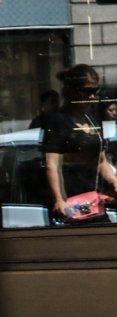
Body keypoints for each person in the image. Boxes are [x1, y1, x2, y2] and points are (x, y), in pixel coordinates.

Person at [41, 64, 117, 221]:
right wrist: (59, 199)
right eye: (88, 91)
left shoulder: (93, 119)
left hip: (93, 200)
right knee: (80, 238)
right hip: (71, 201)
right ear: (72, 91)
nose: (92, 97)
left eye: (95, 91)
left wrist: (114, 181)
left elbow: (101, 161)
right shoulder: (58, 121)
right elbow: (52, 164)